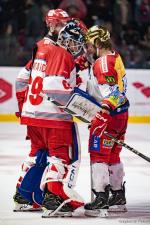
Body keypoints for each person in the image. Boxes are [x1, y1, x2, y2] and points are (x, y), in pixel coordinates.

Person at [13, 10, 85, 217]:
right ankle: (53, 200)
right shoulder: (60, 52)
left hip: (32, 114)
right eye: (62, 24)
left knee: (36, 155)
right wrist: (82, 109)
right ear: (55, 26)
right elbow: (55, 88)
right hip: (53, 117)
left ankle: (23, 196)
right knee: (60, 157)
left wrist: (23, 106)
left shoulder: (40, 46)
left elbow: (21, 80)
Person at [83, 25, 129, 217]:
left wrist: (102, 115)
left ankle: (100, 198)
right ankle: (117, 196)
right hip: (121, 114)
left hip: (108, 116)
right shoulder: (115, 56)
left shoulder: (102, 63)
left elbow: (112, 93)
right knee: (113, 155)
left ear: (97, 42)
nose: (87, 48)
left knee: (98, 155)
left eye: (89, 44)